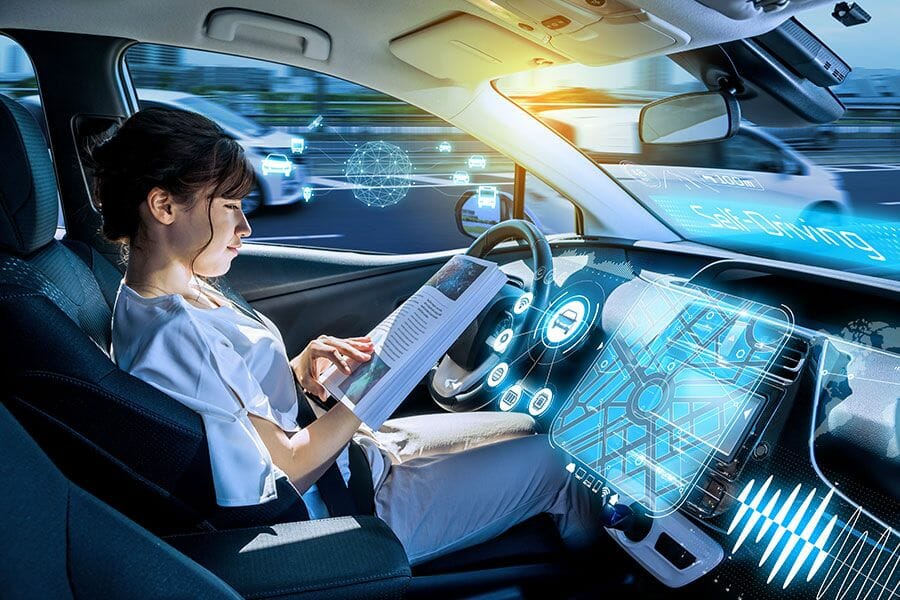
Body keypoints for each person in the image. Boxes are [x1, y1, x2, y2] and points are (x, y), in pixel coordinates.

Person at [89, 107, 601, 565]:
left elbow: (229, 407)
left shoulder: (168, 295)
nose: (245, 227)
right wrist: (377, 387)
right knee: (561, 464)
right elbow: (286, 471)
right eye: (229, 207)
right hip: (341, 506)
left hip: (356, 457)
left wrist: (297, 366)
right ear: (163, 206)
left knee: (528, 428)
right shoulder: (178, 334)